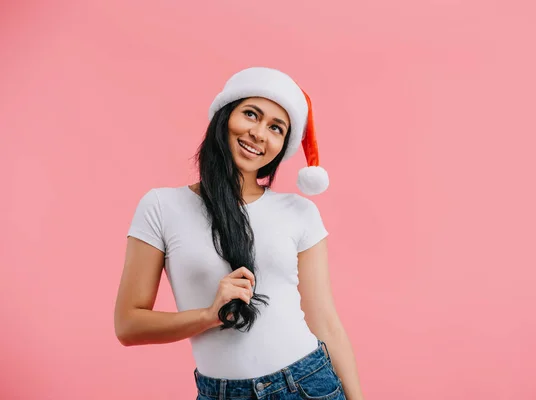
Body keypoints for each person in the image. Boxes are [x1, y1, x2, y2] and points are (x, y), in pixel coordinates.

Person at [114, 67, 364, 400]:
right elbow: (128, 326)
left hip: (308, 384)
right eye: (251, 114)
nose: (260, 133)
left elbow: (326, 321)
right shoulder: (162, 206)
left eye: (276, 128)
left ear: (283, 145)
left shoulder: (300, 212)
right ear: (224, 115)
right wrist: (207, 316)